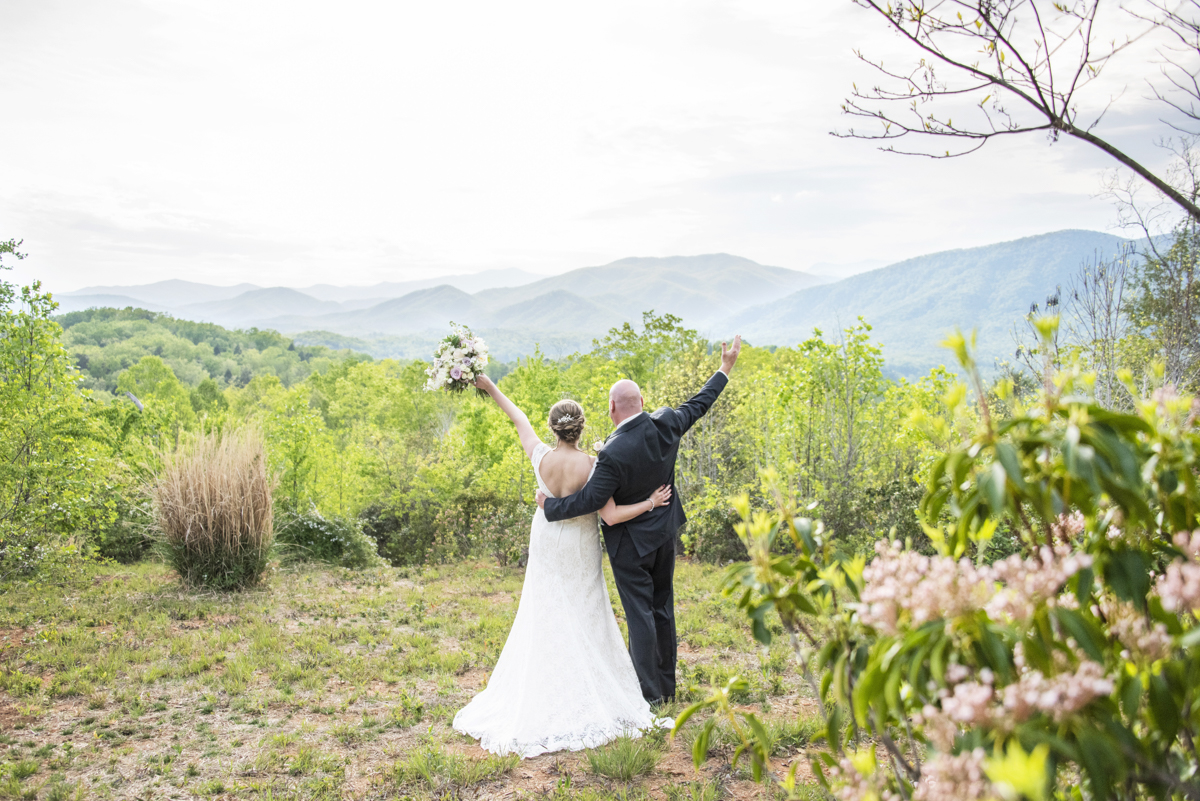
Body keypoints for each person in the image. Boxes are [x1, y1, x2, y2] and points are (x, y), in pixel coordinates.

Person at [452, 374, 672, 758]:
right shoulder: (594, 464)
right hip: (579, 545)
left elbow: (517, 416)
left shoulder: (539, 456)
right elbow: (613, 517)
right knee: (585, 609)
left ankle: (542, 682)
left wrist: (489, 387)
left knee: (543, 608)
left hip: (546, 542)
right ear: (582, 426)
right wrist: (651, 503)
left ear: (553, 428)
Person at [538, 336, 741, 704]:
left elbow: (588, 500)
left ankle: (649, 695)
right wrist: (724, 367)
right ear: (643, 403)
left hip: (630, 546)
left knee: (640, 615)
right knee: (662, 608)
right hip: (664, 535)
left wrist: (549, 508)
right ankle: (666, 687)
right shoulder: (666, 422)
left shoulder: (612, 454)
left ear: (612, 407)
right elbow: (699, 403)